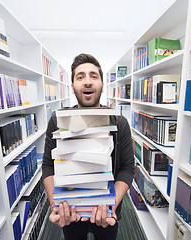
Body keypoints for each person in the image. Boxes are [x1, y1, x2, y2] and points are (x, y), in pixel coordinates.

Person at [42, 53, 134, 240]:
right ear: (73, 86)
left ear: (101, 84)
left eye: (94, 76)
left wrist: (110, 205)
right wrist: (57, 205)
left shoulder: (120, 122)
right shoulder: (57, 121)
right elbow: (47, 166)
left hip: (107, 210)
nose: (87, 81)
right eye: (80, 76)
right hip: (70, 211)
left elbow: (127, 169)